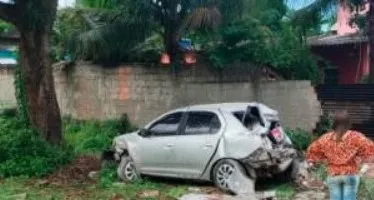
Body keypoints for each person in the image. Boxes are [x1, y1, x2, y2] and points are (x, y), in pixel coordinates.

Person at [306, 110, 374, 200]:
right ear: (348, 122)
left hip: (333, 175)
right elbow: (370, 149)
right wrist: (363, 167)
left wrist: (312, 162)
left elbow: (313, 150)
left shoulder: (326, 138)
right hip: (350, 174)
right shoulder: (356, 137)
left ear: (334, 123)